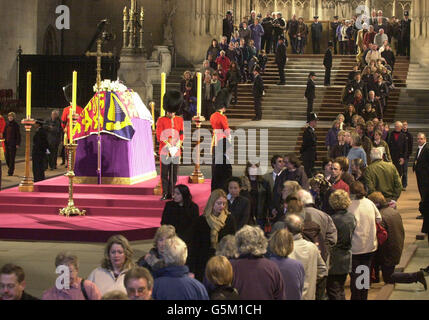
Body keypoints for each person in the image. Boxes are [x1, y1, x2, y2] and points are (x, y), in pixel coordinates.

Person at [368, 192, 427, 290]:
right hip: (396, 247)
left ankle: (416, 276)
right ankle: (374, 279)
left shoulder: (381, 217)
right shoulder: (393, 211)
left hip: (388, 252)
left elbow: (379, 239)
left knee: (388, 277)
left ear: (376, 204)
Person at [188, 189, 236, 281]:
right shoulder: (201, 221)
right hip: (204, 262)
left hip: (223, 262)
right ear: (212, 203)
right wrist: (191, 269)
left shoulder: (229, 219)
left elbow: (233, 243)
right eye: (219, 203)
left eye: (224, 203)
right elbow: (194, 246)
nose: (222, 206)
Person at [230, 225, 286, 300]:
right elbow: (280, 297)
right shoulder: (272, 267)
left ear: (239, 243)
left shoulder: (231, 267)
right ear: (262, 243)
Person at [348, 181, 381, 300]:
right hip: (370, 245)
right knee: (365, 276)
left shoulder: (349, 205)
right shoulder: (370, 203)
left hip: (355, 247)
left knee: (356, 278)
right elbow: (379, 219)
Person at [285, 214, 328, 300]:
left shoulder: (285, 250)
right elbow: (323, 270)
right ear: (302, 228)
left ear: (286, 229)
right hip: (309, 295)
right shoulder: (312, 247)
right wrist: (311, 282)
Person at [326, 190, 356, 300]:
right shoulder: (351, 217)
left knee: (333, 290)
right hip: (347, 256)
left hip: (335, 259)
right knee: (341, 288)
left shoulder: (333, 219)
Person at [156, 90, 184, 200]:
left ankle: (172, 193)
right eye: (169, 111)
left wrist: (177, 145)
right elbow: (160, 136)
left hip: (176, 150)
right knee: (164, 174)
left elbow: (181, 134)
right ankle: (165, 193)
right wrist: (169, 146)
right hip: (165, 150)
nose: (171, 113)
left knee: (174, 174)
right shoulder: (161, 120)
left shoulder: (180, 119)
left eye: (173, 111)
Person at [268, 229, 305, 300]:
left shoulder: (267, 266)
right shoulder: (298, 265)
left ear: (272, 243)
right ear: (291, 244)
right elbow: (299, 290)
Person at [243, 162, 271, 228]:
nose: (253, 170)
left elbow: (268, 198)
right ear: (247, 169)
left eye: (255, 168)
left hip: (260, 213)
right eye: (251, 168)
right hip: (247, 213)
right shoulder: (243, 182)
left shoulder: (264, 183)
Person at [413, 133, 429, 227]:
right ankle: (424, 212)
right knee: (422, 193)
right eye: (418, 139)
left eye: (421, 139)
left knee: (425, 195)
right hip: (420, 176)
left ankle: (424, 213)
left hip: (425, 177)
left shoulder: (427, 149)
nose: (419, 140)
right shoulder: (420, 148)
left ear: (425, 139)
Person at [3, 112, 20, 176]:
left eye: (11, 116)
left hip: (13, 143)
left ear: (13, 117)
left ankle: (10, 171)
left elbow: (18, 135)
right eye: (9, 116)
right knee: (7, 157)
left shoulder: (16, 125)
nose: (10, 117)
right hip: (6, 143)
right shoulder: (7, 124)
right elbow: (4, 132)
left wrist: (17, 143)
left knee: (12, 158)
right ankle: (10, 167)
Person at [301, 112, 318, 178]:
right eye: (315, 121)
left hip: (311, 155)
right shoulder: (308, 131)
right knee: (308, 172)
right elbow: (307, 144)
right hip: (308, 155)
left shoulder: (311, 131)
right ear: (311, 122)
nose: (316, 122)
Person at [401, 120, 413, 190]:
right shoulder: (399, 134)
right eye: (403, 125)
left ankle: (404, 185)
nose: (404, 126)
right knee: (399, 171)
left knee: (405, 171)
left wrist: (408, 155)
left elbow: (410, 146)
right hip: (399, 155)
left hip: (406, 156)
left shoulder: (409, 135)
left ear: (407, 126)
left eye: (405, 125)